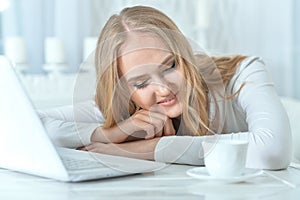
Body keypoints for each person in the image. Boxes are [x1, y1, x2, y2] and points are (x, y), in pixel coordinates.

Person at [38, 6, 292, 169]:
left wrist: (144, 149)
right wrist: (111, 135)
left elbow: (272, 151)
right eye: (141, 82)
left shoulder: (243, 72)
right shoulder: (125, 107)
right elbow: (24, 125)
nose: (162, 89)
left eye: (170, 66)